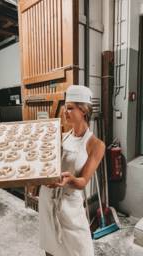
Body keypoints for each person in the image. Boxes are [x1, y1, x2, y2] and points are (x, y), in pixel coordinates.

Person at [39, 85, 105, 256]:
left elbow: (83, 181)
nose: (65, 112)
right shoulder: (62, 137)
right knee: (51, 247)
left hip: (69, 204)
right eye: (65, 108)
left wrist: (69, 180)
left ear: (83, 111)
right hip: (48, 198)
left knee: (80, 250)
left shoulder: (96, 145)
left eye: (70, 108)